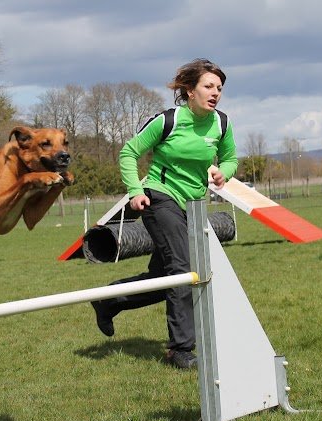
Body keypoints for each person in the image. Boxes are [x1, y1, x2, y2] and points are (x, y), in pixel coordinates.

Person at [91, 58, 238, 369]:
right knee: (182, 270)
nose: (215, 93)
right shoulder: (166, 121)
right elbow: (129, 152)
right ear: (189, 91)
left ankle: (108, 300)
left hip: (194, 206)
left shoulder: (221, 123)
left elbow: (230, 157)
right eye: (208, 87)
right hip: (160, 199)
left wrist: (224, 172)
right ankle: (180, 350)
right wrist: (135, 191)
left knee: (163, 278)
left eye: (220, 88)